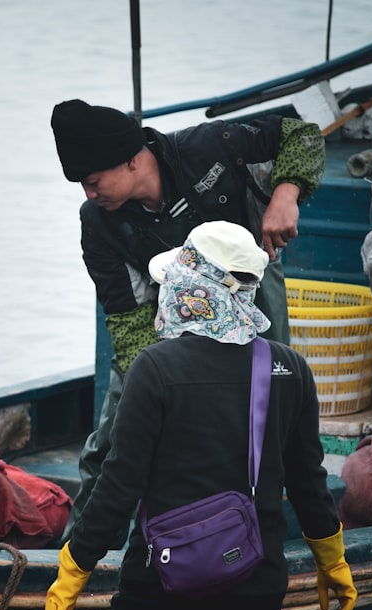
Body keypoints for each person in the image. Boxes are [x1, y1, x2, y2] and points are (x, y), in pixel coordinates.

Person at [41, 220, 357, 610]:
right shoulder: (290, 368)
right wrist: (332, 559)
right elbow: (308, 482)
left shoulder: (156, 368)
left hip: (161, 586)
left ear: (191, 287)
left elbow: (120, 483)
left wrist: (75, 565)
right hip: (255, 582)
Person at [50, 98, 326, 546]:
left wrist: (286, 192)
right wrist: (159, 388)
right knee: (110, 439)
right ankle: (76, 552)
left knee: (269, 413)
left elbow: (302, 134)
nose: (89, 193)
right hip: (167, 320)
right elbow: (126, 316)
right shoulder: (99, 224)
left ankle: (264, 532)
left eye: (93, 180)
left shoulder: (211, 149)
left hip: (249, 297)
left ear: (134, 160)